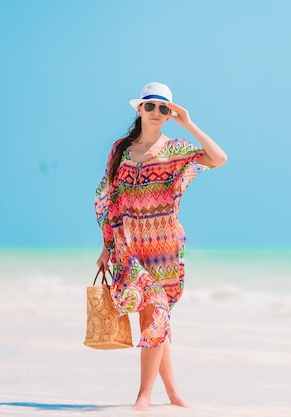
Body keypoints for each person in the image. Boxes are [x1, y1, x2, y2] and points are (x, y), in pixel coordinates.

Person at [94, 82, 227, 410]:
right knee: (153, 313)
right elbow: (109, 200)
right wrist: (106, 247)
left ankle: (149, 395)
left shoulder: (177, 149)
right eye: (150, 106)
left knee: (155, 314)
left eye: (164, 108)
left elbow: (218, 158)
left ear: (170, 114)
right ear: (139, 109)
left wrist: (189, 123)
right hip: (130, 246)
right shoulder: (120, 150)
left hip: (165, 245)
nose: (156, 112)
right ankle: (165, 393)